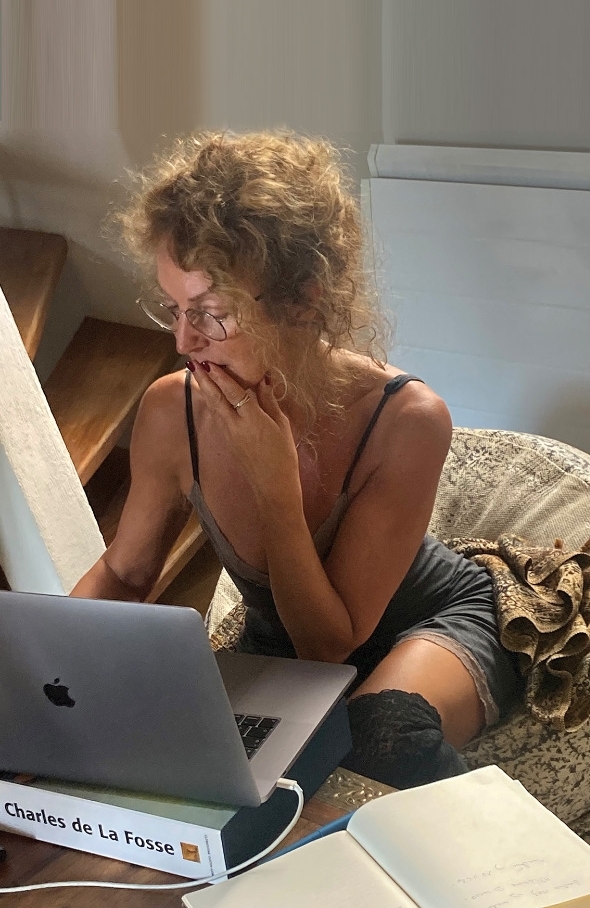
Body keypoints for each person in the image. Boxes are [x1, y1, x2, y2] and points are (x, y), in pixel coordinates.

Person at [71, 130, 522, 787]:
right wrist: (46, 666)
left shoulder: (406, 418)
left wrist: (275, 487)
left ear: (305, 299)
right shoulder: (173, 411)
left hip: (430, 620)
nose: (183, 341)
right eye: (173, 309)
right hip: (280, 641)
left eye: (211, 313)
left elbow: (328, 644)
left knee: (381, 735)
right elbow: (125, 570)